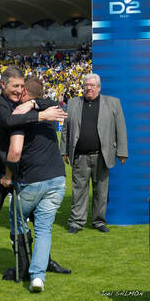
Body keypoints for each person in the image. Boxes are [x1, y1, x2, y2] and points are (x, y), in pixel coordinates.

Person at [0, 66, 69, 289]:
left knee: (39, 221)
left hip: (22, 172)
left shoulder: (24, 102)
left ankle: (39, 263)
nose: (19, 91)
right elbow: (10, 121)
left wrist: (33, 103)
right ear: (2, 85)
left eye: (21, 87)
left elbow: (49, 101)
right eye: (15, 86)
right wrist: (39, 114)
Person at [0, 77, 66, 292]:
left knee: (17, 221)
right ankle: (38, 277)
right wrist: (35, 103)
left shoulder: (21, 114)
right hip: (57, 179)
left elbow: (15, 151)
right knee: (44, 230)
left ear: (26, 93)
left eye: (21, 91)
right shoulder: (49, 112)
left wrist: (8, 175)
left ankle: (23, 266)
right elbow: (53, 102)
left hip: (32, 180)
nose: (18, 94)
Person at [60, 73, 128, 234]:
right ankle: (76, 222)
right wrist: (64, 150)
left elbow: (121, 129)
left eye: (92, 85)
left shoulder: (113, 103)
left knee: (101, 191)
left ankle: (99, 221)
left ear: (98, 87)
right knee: (78, 191)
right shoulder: (73, 103)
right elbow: (66, 129)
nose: (88, 88)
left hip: (102, 156)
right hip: (80, 156)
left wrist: (122, 151)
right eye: (86, 85)